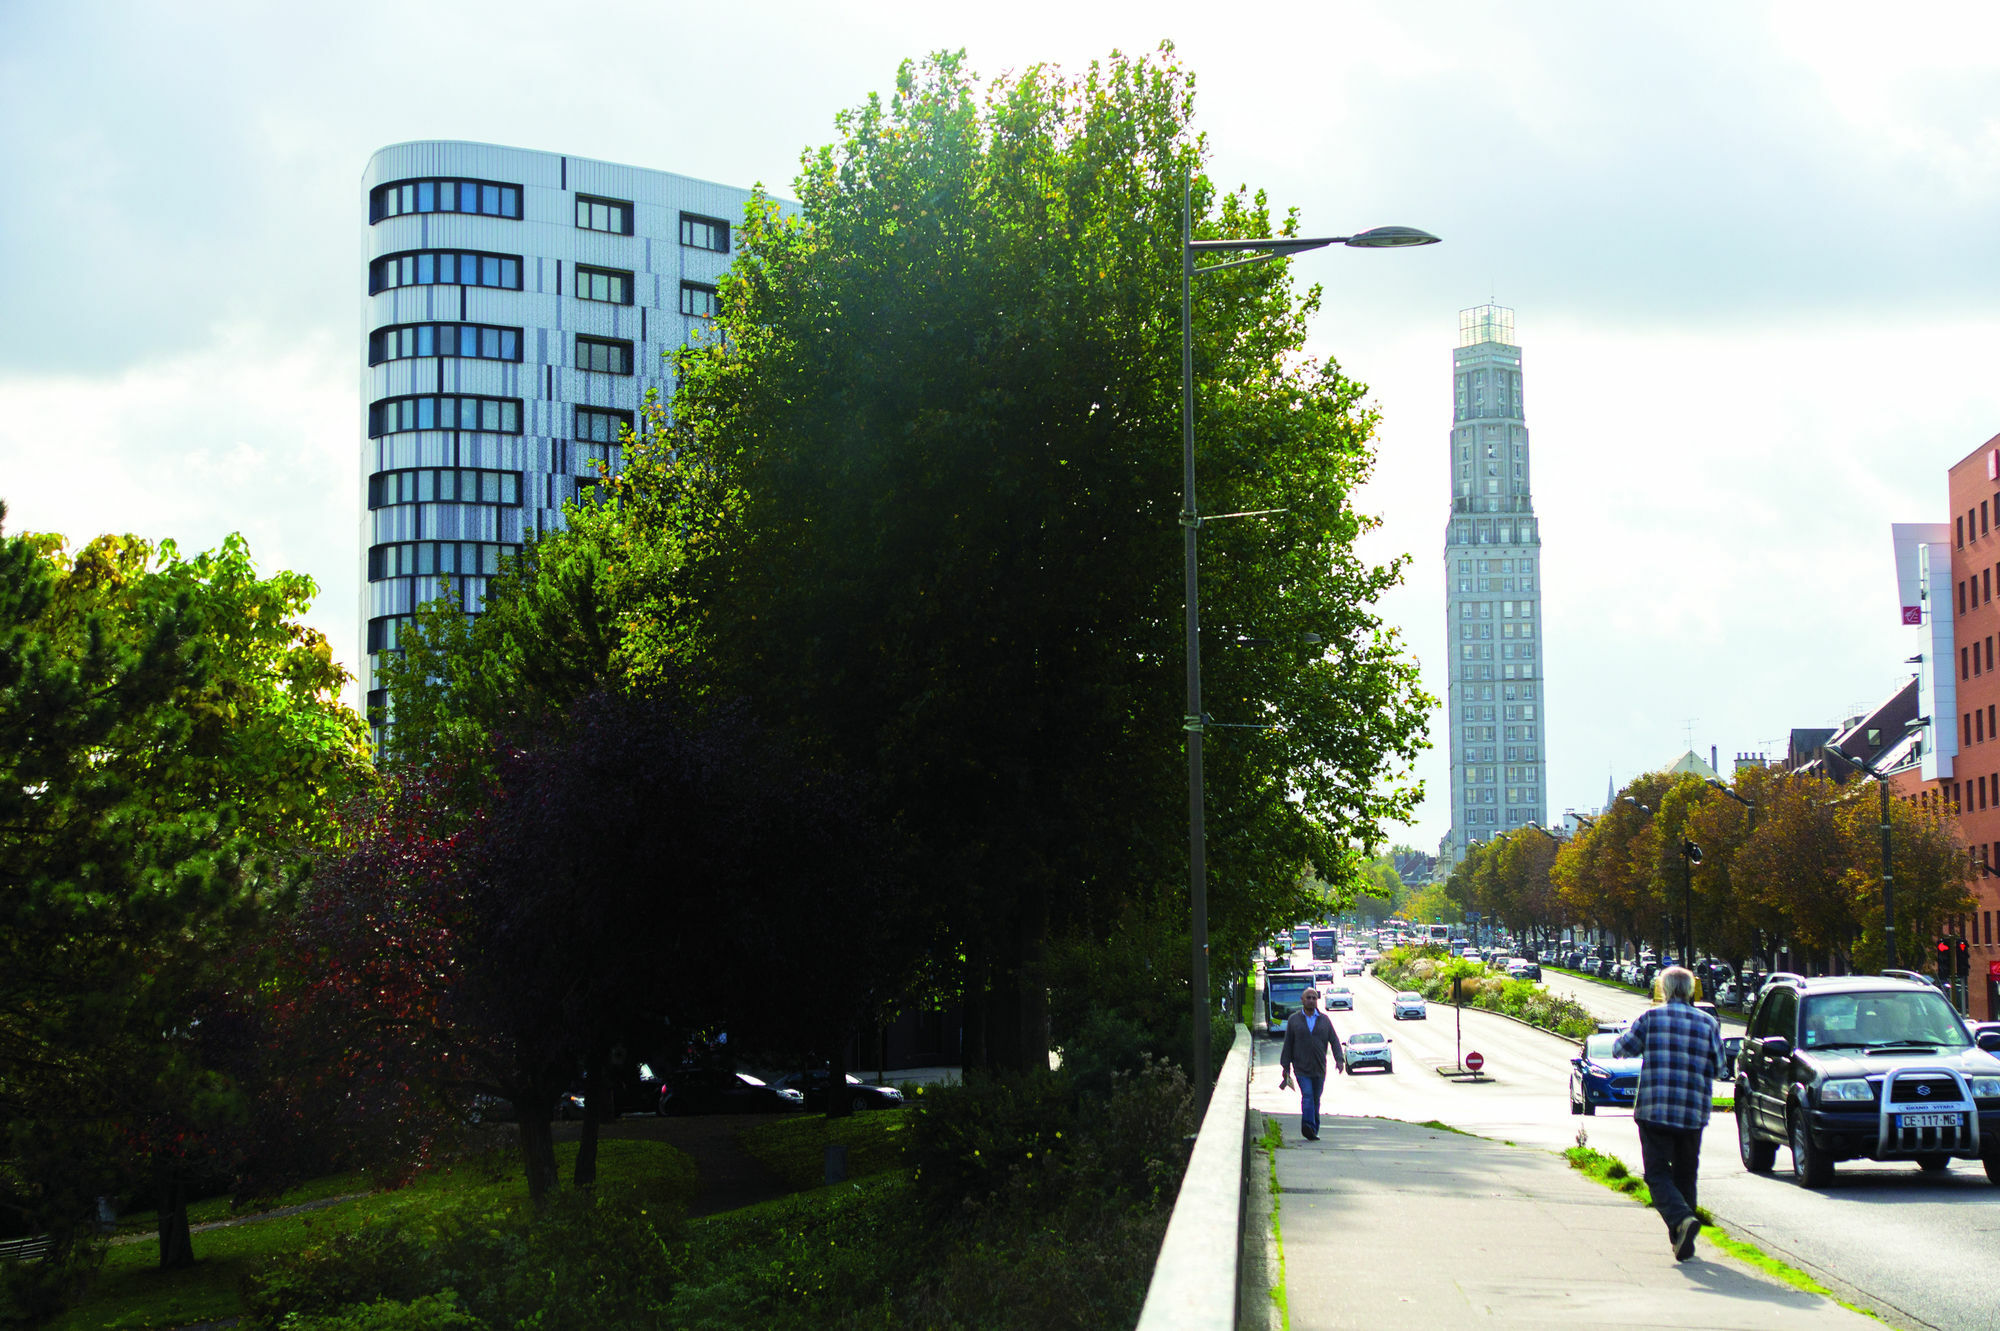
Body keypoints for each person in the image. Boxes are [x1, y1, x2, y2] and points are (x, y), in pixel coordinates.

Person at [1614, 965, 1724, 1262]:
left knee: (1658, 1174)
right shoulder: (1708, 1023)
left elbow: (1621, 1049)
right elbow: (1720, 1068)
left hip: (1655, 1109)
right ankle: (1682, 1239)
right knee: (1687, 1175)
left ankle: (1681, 1220)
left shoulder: (1651, 1018)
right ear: (1689, 991)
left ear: (1662, 989)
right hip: (1692, 1111)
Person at [1278, 986, 1343, 1141]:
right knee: (1307, 1095)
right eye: (1308, 997)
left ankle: (1313, 1128)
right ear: (1302, 1000)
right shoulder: (1294, 1020)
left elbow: (1334, 1041)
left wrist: (1339, 1059)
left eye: (1314, 998)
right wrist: (1285, 1067)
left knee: (1315, 1099)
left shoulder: (1324, 1020)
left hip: (1319, 1069)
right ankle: (1307, 1126)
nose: (1312, 1000)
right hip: (1301, 1068)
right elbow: (1288, 1044)